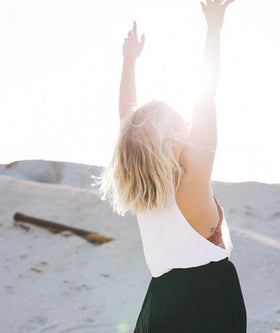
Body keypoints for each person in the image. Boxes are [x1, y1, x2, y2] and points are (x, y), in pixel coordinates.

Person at [99, 1, 246, 332]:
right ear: (166, 137)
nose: (187, 128)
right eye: (180, 123)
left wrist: (129, 62)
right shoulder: (193, 175)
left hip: (162, 299)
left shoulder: (144, 196)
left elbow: (127, 120)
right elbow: (206, 98)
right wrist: (213, 30)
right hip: (211, 299)